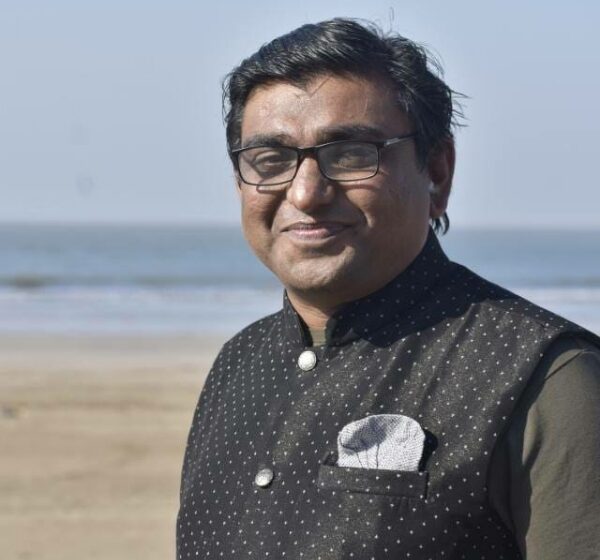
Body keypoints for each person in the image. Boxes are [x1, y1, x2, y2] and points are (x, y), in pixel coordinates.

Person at [177, 18, 600, 559]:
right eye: (271, 160)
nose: (305, 193)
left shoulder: (544, 378)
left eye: (351, 153)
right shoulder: (238, 365)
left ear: (437, 172)